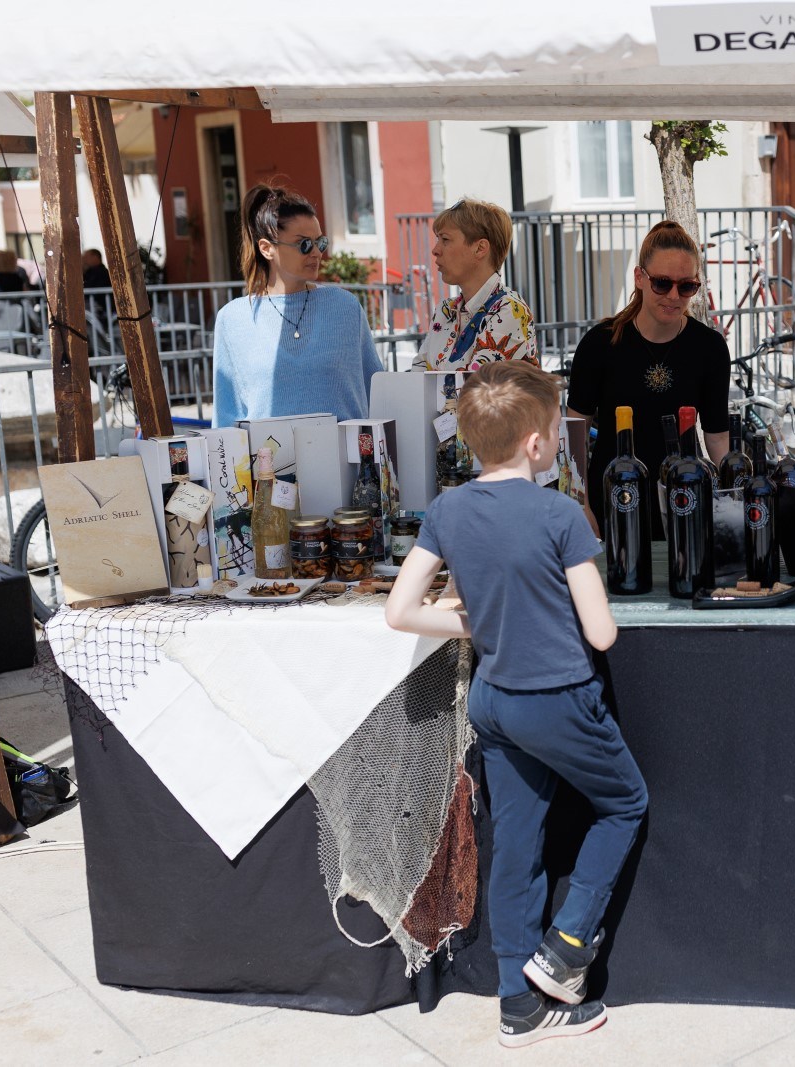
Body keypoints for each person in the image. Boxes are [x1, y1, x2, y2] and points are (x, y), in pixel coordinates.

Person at [385, 360, 646, 1048]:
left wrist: (474, 621)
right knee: (625, 802)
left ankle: (517, 1006)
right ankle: (566, 948)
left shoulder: (446, 510)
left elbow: (401, 610)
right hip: (557, 698)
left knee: (517, 845)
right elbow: (601, 633)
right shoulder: (560, 513)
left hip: (493, 700)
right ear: (536, 442)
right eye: (557, 430)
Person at [566, 220, 731, 539]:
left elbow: (718, 440)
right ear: (640, 277)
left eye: (686, 286)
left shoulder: (709, 348)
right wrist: (578, 504)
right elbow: (575, 433)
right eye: (662, 283)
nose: (674, 296)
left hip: (685, 500)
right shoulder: (600, 344)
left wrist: (738, 496)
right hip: (612, 501)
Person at [211, 183, 382, 427]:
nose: (316, 253)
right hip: (266, 452)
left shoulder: (345, 307)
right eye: (304, 244)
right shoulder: (233, 319)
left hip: (343, 451)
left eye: (320, 243)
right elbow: (225, 416)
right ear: (267, 248)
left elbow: (377, 392)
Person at [412, 198, 538, 372]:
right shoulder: (445, 310)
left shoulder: (510, 310)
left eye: (445, 239)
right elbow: (417, 377)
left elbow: (475, 385)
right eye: (437, 239)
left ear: (480, 248)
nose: (435, 250)